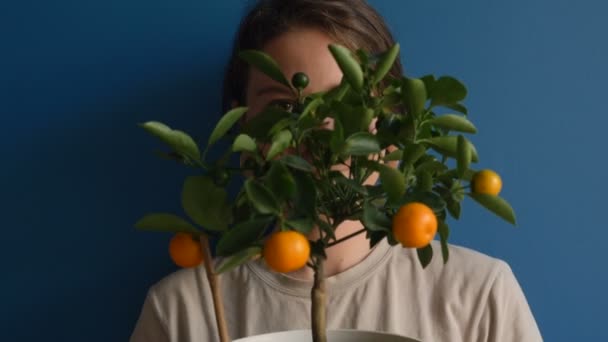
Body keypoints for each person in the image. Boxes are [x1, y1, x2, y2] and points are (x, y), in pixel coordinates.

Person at [130, 1, 543, 341]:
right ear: (243, 127)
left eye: (349, 105)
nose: (320, 132)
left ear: (393, 131)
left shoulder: (477, 297)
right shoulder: (183, 311)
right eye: (285, 108)